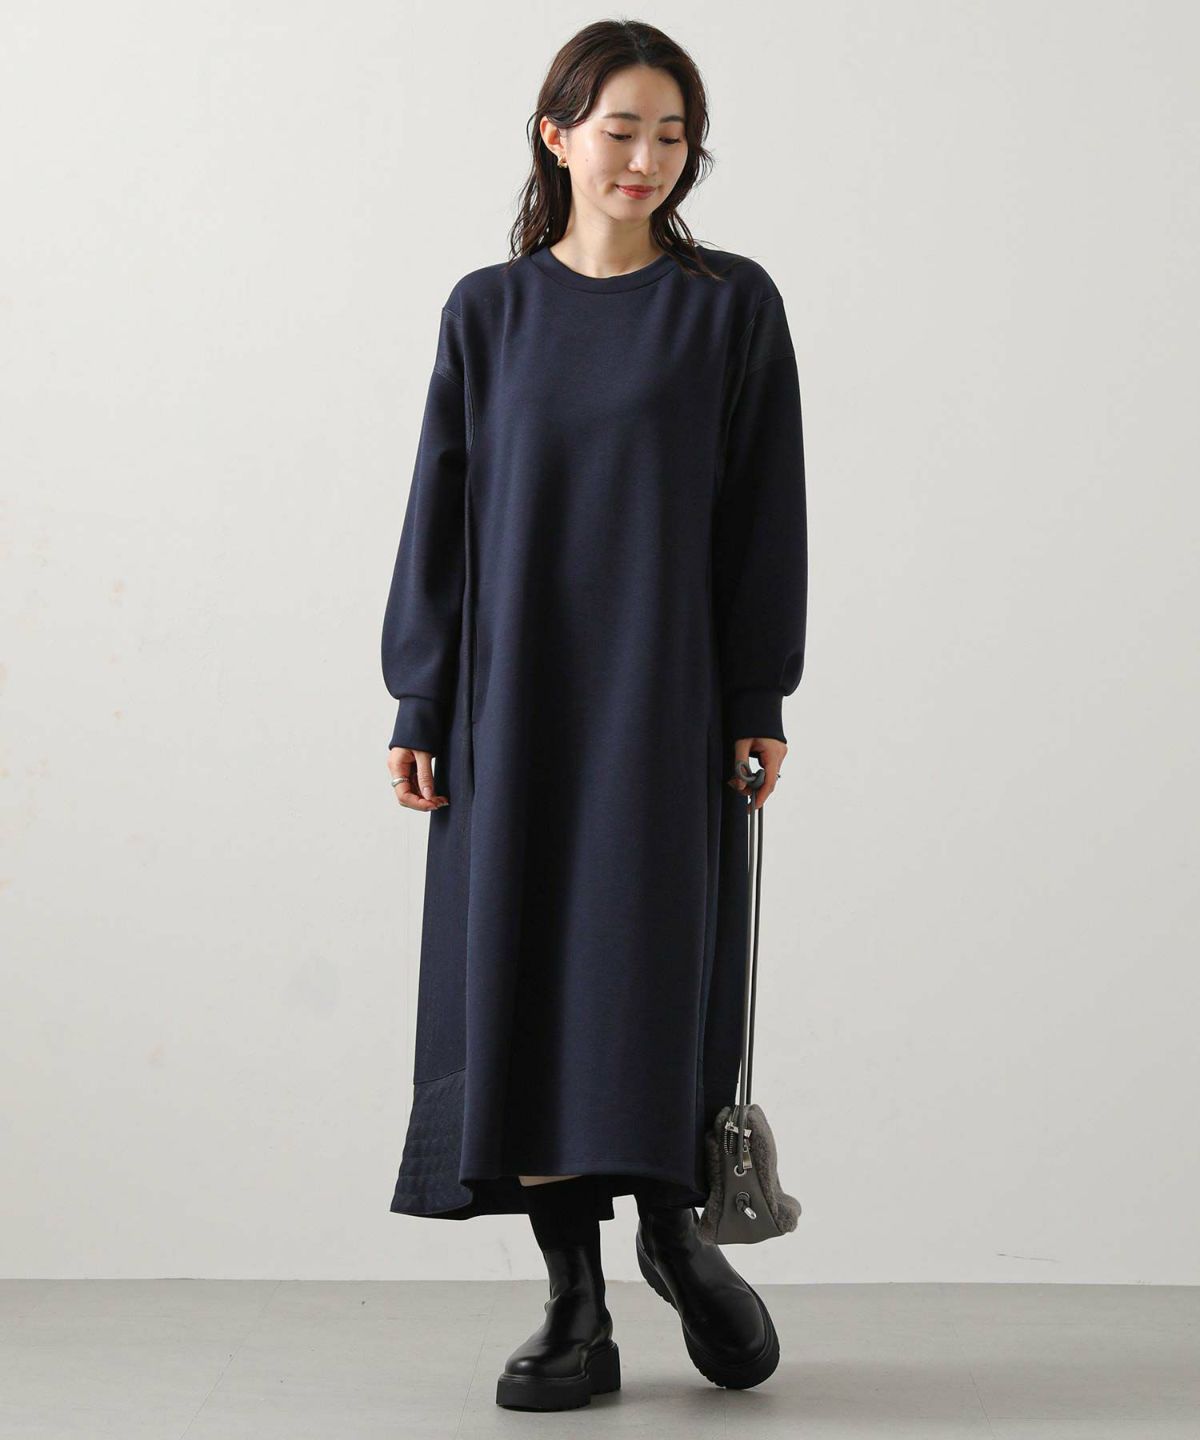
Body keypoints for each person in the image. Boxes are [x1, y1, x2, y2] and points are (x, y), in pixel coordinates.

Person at [380, 19, 807, 1411]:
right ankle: (575, 1300)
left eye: (673, 134)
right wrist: (421, 694)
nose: (647, 157)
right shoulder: (487, 313)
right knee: (525, 972)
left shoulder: (729, 307)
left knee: (653, 965)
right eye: (621, 128)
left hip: (665, 702)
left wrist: (756, 690)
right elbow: (440, 516)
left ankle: (677, 1235)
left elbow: (764, 514)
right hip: (513, 707)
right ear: (557, 135)